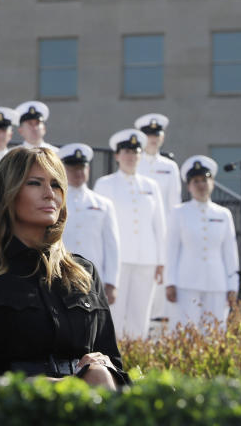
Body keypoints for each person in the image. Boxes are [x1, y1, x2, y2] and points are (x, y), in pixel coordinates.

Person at [0, 147, 128, 389]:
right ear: (8, 193)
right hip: (18, 403)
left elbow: (114, 362)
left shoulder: (83, 272)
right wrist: (57, 386)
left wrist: (102, 367)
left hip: (91, 398)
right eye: (35, 183)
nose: (49, 194)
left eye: (56, 185)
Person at [93, 129, 166, 341]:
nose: (131, 157)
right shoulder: (105, 184)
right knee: (114, 314)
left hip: (146, 259)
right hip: (119, 261)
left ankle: (137, 362)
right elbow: (101, 228)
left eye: (135, 152)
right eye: (126, 152)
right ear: (117, 155)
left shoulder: (151, 186)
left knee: (140, 315)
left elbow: (159, 226)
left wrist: (161, 261)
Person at [164, 155, 239, 332]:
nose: (201, 185)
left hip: (216, 283)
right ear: (189, 186)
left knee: (214, 332)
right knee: (185, 332)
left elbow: (230, 252)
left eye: (205, 180)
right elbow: (171, 249)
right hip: (186, 282)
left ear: (212, 182)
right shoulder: (179, 212)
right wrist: (170, 282)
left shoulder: (223, 214)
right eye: (195, 181)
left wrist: (232, 285)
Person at [133, 113, 181, 326]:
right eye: (148, 134)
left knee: (160, 292)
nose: (153, 138)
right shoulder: (134, 162)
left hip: (162, 235)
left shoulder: (169, 167)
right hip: (138, 234)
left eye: (156, 134)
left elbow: (173, 205)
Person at [57, 143, 120, 304]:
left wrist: (112, 282)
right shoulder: (55, 202)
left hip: (93, 276)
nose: (78, 172)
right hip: (60, 272)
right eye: (73, 168)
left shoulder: (103, 204)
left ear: (88, 170)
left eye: (82, 168)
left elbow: (112, 246)